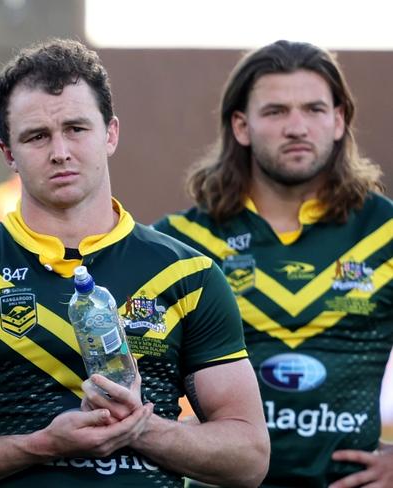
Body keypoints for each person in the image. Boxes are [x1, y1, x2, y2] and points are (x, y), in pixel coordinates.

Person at [0, 38, 269, 487]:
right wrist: (44, 444)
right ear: (8, 154)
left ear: (111, 133)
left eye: (77, 128)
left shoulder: (188, 276)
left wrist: (143, 428)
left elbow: (249, 458)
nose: (60, 151)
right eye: (37, 136)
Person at [153, 40, 393, 488]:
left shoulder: (385, 233)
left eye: (315, 109)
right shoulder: (181, 242)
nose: (297, 126)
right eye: (276, 111)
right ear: (242, 126)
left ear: (339, 120)